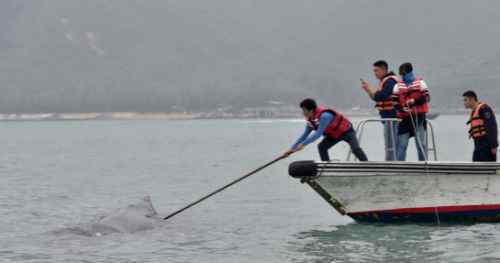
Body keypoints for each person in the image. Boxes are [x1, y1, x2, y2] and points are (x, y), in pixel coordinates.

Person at [284, 98, 368, 161]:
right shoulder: (310, 121)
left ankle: (368, 166)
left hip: (347, 132)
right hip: (333, 136)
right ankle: (326, 166)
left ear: (311, 110)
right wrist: (291, 149)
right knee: (321, 147)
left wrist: (303, 145)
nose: (303, 113)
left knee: (356, 149)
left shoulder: (325, 116)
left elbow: (318, 134)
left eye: (304, 110)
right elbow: (303, 136)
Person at [361, 60, 399, 160]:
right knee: (389, 144)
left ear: (383, 70)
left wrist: (369, 89)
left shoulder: (390, 81)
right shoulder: (384, 82)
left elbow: (381, 96)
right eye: (374, 71)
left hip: (392, 119)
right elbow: (376, 97)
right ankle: (390, 162)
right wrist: (368, 90)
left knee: (391, 144)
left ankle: (392, 163)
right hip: (388, 119)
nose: (375, 73)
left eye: (376, 70)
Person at [393, 63, 430, 161]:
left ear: (410, 72)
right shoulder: (397, 86)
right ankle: (399, 168)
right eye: (401, 74)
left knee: (421, 144)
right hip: (404, 120)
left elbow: (426, 97)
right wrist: (401, 108)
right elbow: (394, 102)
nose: (403, 76)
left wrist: (414, 101)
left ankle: (423, 165)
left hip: (419, 118)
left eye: (404, 73)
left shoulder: (421, 83)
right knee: (402, 145)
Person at [463, 90, 498, 162]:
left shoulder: (484, 109)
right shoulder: (474, 111)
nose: (464, 103)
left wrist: (494, 145)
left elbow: (491, 127)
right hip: (478, 145)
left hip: (486, 145)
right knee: (476, 168)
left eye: (465, 100)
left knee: (487, 169)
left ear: (472, 99)